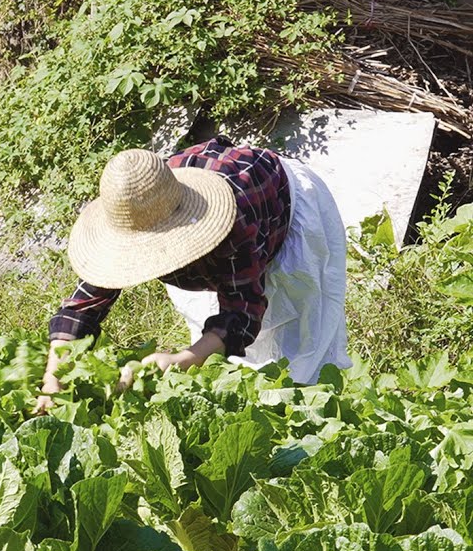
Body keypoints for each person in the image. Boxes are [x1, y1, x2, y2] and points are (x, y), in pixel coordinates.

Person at [34, 136, 350, 413]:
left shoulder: (227, 220)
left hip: (281, 205)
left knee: (302, 335)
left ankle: (306, 414)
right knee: (219, 353)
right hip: (219, 214)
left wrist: (181, 359)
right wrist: (53, 379)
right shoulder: (136, 207)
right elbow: (82, 308)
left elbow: (242, 312)